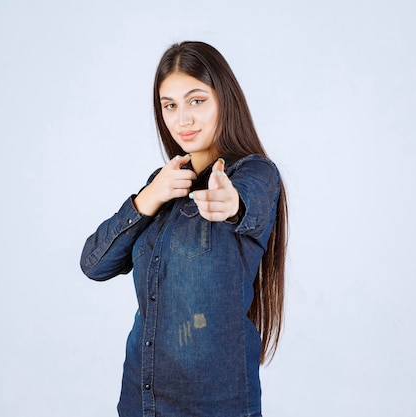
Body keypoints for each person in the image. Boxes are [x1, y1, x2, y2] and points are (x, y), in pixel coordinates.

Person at [80, 41, 288, 417]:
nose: (183, 119)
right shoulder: (162, 185)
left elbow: (246, 203)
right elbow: (95, 264)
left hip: (215, 406)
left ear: (224, 100)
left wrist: (231, 204)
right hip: (140, 401)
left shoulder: (254, 173)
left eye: (197, 101)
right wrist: (148, 196)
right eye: (170, 105)